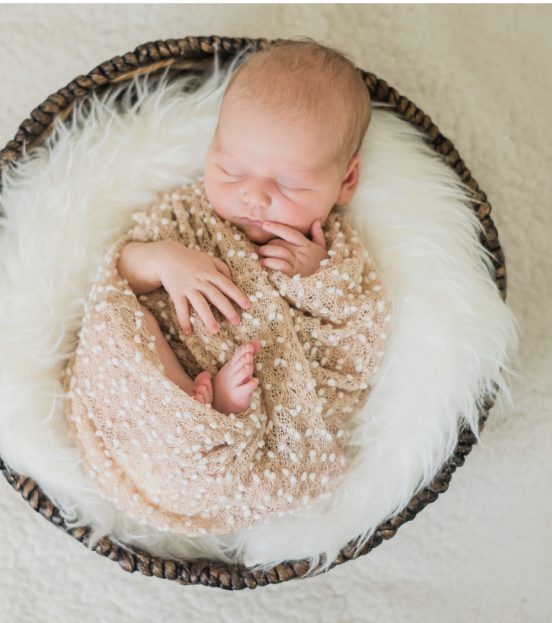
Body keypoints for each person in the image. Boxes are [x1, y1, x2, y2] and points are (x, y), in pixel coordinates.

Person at [115, 39, 373, 415]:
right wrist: (164, 261)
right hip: (150, 385)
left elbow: (358, 334)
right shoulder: (186, 212)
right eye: (231, 171)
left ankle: (220, 416)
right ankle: (188, 403)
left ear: (346, 181)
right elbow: (120, 272)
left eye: (288, 184)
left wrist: (317, 277)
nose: (254, 197)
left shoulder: (333, 250)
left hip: (264, 397)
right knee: (118, 319)